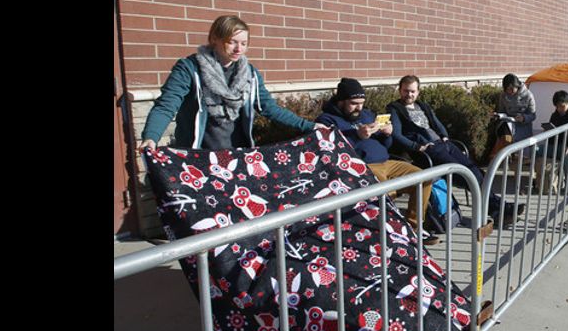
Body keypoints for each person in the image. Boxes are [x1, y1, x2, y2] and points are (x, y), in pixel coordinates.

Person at [139, 15, 316, 152]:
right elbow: (166, 105)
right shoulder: (189, 69)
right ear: (215, 38)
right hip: (198, 156)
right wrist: (151, 137)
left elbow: (269, 108)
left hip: (237, 154)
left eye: (244, 43)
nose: (239, 49)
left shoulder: (250, 74)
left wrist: (309, 126)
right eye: (232, 42)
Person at [387, 75, 524, 224]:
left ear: (418, 92)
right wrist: (416, 146)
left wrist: (445, 135)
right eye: (406, 91)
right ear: (400, 91)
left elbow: (436, 123)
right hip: (430, 150)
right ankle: (498, 209)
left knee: (477, 172)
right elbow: (396, 134)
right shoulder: (395, 109)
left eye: (413, 91)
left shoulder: (422, 105)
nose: (409, 95)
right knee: (468, 176)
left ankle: (499, 207)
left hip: (444, 144)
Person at [316, 78, 435, 242]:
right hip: (362, 166)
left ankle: (413, 228)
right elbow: (331, 150)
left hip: (387, 161)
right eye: (354, 103)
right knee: (388, 191)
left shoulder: (366, 114)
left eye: (362, 103)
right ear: (341, 101)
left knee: (424, 178)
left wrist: (387, 134)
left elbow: (385, 144)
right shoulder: (326, 120)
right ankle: (391, 232)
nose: (359, 107)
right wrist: (356, 136)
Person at [534, 91, 568, 193]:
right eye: (557, 107)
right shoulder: (556, 114)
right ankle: (539, 180)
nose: (559, 109)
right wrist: (548, 132)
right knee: (536, 149)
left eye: (562, 106)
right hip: (556, 145)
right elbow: (552, 133)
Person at [490, 73, 536, 157]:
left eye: (511, 89)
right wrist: (498, 115)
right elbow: (501, 110)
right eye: (507, 89)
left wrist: (523, 118)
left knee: (507, 137)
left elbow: (533, 115)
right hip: (508, 123)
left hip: (522, 126)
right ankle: (501, 157)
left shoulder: (528, 95)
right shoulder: (503, 95)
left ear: (517, 85)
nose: (509, 92)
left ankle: (498, 156)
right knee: (504, 133)